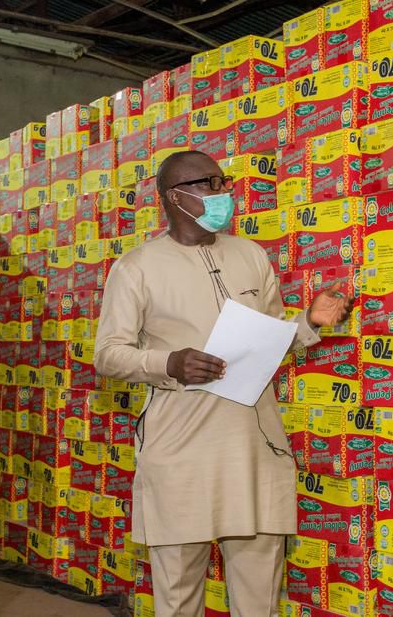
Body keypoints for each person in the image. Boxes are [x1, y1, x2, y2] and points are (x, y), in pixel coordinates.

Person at [94, 150, 353, 616]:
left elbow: (270, 339)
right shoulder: (137, 267)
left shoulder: (250, 255)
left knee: (260, 598)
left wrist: (310, 321)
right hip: (181, 451)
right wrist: (169, 363)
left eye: (223, 182)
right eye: (208, 184)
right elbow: (108, 354)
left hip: (255, 448)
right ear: (174, 197)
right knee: (178, 597)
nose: (222, 193)